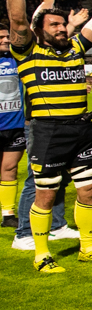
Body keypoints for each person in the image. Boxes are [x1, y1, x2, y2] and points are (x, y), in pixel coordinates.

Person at [4, 0, 92, 273]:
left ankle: (87, 248)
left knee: (89, 188)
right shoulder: (27, 51)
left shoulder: (75, 48)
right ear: (40, 29)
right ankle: (41, 255)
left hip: (81, 129)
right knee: (45, 194)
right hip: (48, 130)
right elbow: (16, 18)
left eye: (61, 25)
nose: (60, 28)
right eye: (53, 25)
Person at [0, 24, 26, 227]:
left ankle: (8, 215)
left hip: (15, 125)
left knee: (10, 168)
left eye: (7, 36)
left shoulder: (17, 58)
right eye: (1, 37)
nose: (6, 40)